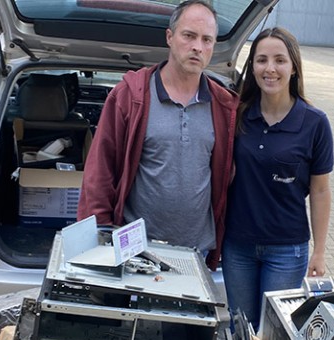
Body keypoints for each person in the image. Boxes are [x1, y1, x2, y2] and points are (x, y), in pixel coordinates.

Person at [77, 0, 237, 271]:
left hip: (197, 253)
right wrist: (99, 238)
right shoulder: (131, 96)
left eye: (206, 39)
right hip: (136, 253)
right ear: (169, 37)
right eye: (189, 35)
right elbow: (100, 173)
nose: (197, 47)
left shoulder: (224, 106)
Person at [222, 27, 334, 330]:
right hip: (238, 245)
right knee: (240, 329)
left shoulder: (314, 123)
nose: (269, 68)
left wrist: (319, 252)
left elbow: (320, 191)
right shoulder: (237, 115)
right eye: (261, 60)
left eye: (279, 60)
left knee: (274, 334)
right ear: (252, 67)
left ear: (294, 67)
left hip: (286, 250)